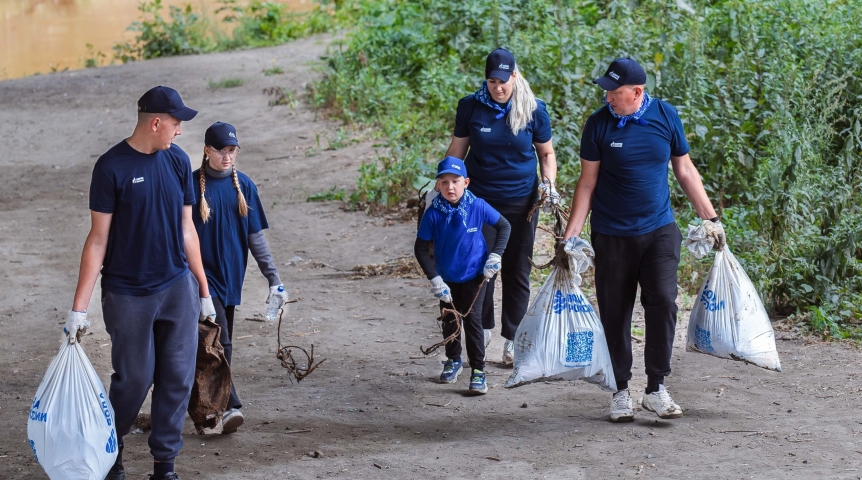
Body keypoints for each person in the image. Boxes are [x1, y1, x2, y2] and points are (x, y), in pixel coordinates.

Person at [559, 58, 726, 422]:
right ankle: (620, 390)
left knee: (664, 301)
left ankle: (656, 388)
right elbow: (587, 183)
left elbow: (684, 169)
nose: (608, 97)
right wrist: (569, 238)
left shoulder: (665, 116)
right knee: (615, 312)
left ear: (637, 92)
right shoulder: (598, 124)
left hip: (659, 230)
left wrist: (710, 219)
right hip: (612, 233)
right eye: (605, 90)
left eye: (614, 92)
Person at [65, 86, 215, 480]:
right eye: (176, 123)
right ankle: (110, 455)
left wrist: (203, 290)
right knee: (134, 379)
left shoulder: (179, 162)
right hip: (128, 294)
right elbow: (97, 239)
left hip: (176, 287)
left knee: (178, 378)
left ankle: (164, 466)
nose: (180, 132)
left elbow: (187, 231)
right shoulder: (111, 167)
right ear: (156, 122)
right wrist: (78, 308)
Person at [444, 47, 558, 365]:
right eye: (492, 81)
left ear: (514, 77)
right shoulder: (471, 107)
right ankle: (484, 329)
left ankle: (513, 339)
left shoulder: (534, 110)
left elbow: (546, 154)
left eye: (503, 81)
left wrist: (548, 185)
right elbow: (456, 153)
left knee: (516, 270)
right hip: (480, 202)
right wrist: (442, 185)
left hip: (522, 202)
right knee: (482, 267)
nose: (497, 87)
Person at [192, 121, 286, 433]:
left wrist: (274, 280)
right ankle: (229, 406)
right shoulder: (191, 187)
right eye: (222, 151)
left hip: (231, 278)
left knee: (216, 345)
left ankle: (204, 408)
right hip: (201, 279)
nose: (228, 156)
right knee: (221, 342)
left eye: (232, 150)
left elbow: (255, 239)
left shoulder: (243, 186)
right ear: (207, 151)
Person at [415, 157, 511, 394]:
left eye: (455, 181)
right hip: (447, 278)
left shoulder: (477, 206)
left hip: (474, 275)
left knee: (472, 321)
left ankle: (478, 370)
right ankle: (453, 360)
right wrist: (434, 278)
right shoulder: (433, 213)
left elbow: (504, 226)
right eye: (444, 182)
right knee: (449, 319)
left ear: (466, 182)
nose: (450, 187)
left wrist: (496, 256)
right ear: (437, 185)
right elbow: (420, 248)